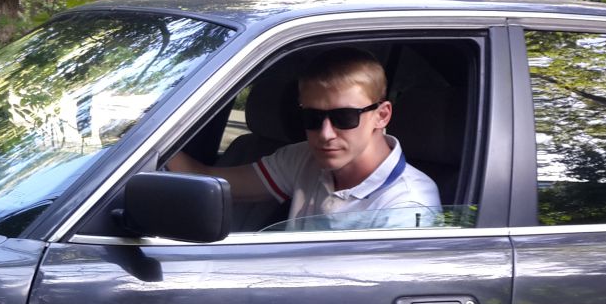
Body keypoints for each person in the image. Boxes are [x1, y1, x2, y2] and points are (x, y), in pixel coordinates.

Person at [167, 48, 441, 229]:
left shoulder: (407, 205)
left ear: (381, 115)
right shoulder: (305, 157)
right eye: (312, 118)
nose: (325, 134)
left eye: (344, 117)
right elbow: (205, 180)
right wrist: (150, 139)